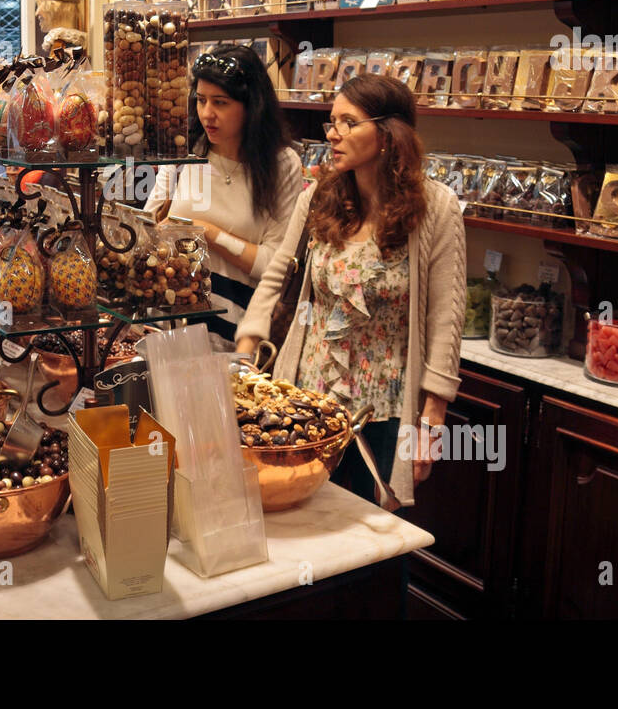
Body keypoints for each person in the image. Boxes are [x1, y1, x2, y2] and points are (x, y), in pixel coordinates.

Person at [236, 74, 465, 510]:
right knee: (304, 517)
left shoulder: (436, 208)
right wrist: (246, 352)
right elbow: (278, 277)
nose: (333, 134)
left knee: (375, 532)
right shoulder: (317, 198)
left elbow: (446, 318)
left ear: (388, 134)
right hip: (308, 405)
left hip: (386, 409)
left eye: (348, 122)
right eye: (331, 122)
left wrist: (433, 416)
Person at [145, 43, 303, 343]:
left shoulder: (282, 165)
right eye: (201, 100)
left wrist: (206, 232)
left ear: (251, 106)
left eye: (221, 102)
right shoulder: (184, 153)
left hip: (241, 331)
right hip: (171, 323)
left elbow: (276, 265)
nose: (207, 114)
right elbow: (150, 230)